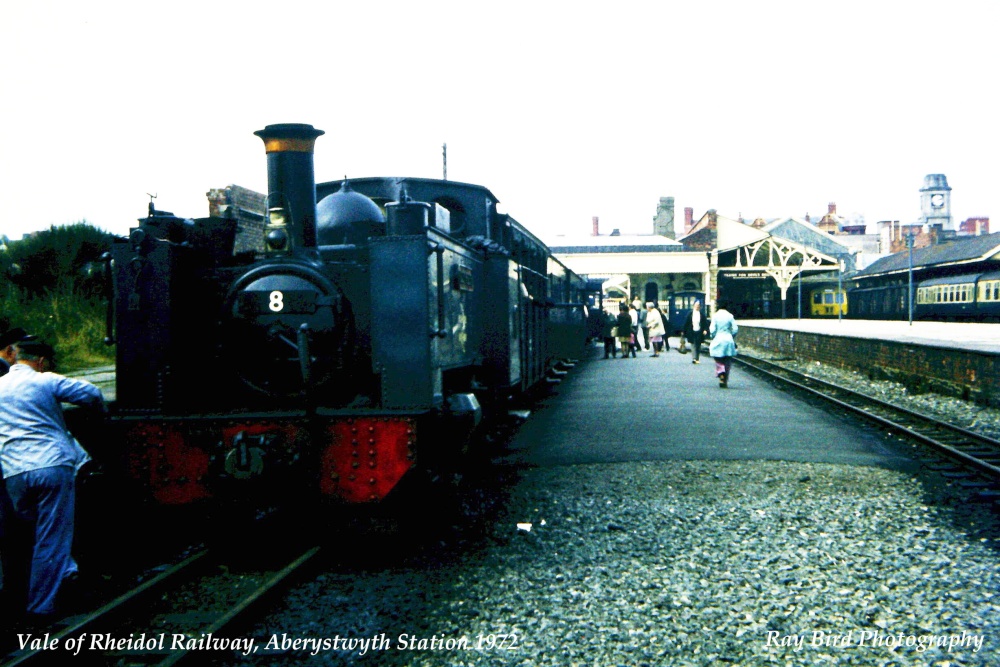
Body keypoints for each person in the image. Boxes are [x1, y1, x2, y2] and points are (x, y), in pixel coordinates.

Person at [0, 338, 105, 622]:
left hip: (14, 471)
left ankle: (63, 575)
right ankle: (41, 606)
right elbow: (92, 394)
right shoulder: (45, 380)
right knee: (52, 536)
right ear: (41, 362)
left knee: (31, 531)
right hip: (52, 465)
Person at [708, 302, 738, 388]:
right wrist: (731, 336)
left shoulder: (715, 316)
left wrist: (713, 336)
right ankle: (725, 380)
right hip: (728, 339)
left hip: (718, 338)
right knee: (728, 360)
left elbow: (712, 330)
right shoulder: (730, 316)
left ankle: (721, 373)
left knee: (718, 358)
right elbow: (735, 329)